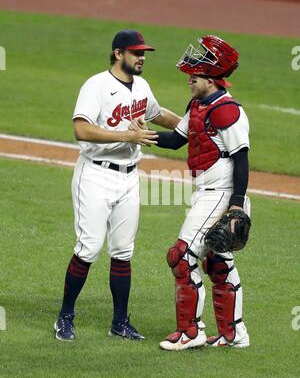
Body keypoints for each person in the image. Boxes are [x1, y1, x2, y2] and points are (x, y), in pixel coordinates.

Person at [54, 29, 181, 341]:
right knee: (89, 247)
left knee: (123, 251)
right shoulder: (96, 85)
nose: (141, 58)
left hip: (129, 177)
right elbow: (81, 130)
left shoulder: (141, 86)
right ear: (118, 53)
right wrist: (129, 135)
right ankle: (65, 316)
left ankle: (120, 322)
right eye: (136, 53)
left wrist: (194, 125)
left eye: (144, 53)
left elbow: (157, 114)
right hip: (95, 175)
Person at [152, 35, 250, 350]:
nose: (189, 81)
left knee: (181, 256)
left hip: (221, 193)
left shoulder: (227, 110)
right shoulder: (197, 105)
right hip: (204, 191)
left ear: (211, 78)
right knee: (219, 264)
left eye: (194, 77)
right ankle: (234, 334)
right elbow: (177, 140)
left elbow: (242, 159)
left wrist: (236, 206)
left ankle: (190, 333)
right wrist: (142, 135)